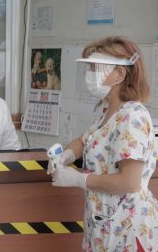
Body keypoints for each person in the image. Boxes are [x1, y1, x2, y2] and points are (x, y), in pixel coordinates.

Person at [48, 36, 158, 251]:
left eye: (95, 68)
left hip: (127, 228)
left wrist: (80, 179)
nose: (89, 76)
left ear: (120, 74)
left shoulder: (132, 116)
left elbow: (130, 182)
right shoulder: (107, 113)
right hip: (103, 225)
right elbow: (85, 139)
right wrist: (67, 155)